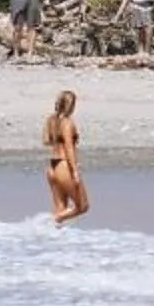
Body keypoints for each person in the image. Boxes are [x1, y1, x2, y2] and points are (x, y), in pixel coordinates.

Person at [42, 88, 89, 225]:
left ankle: (54, 232)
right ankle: (52, 222)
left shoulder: (51, 120)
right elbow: (69, 148)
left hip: (52, 167)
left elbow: (46, 141)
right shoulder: (68, 123)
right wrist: (75, 171)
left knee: (61, 208)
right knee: (82, 206)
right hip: (64, 166)